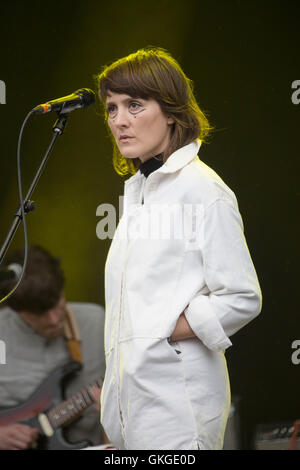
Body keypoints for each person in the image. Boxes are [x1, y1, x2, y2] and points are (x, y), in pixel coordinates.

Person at [95, 46, 262, 450]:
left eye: (135, 105)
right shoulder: (137, 194)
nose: (120, 121)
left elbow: (242, 297)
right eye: (112, 108)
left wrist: (164, 331)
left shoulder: (202, 188)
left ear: (171, 111)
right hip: (134, 417)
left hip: (178, 413)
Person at [0, 245, 106, 450]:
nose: (55, 319)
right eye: (39, 315)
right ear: (15, 310)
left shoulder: (97, 322)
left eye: (57, 305)